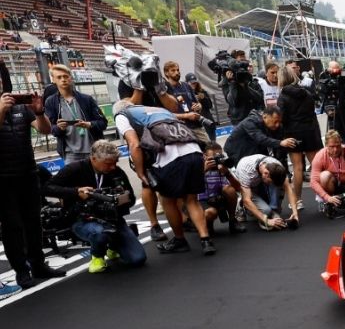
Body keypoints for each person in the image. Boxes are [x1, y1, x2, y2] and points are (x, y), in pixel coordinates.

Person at [115, 83, 214, 255]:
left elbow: (134, 144)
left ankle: (179, 239)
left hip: (170, 157)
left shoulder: (122, 114)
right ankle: (205, 240)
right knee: (192, 200)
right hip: (194, 151)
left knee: (168, 200)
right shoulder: (157, 110)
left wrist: (140, 172)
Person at [43, 140, 146, 273]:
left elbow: (131, 199)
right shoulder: (75, 169)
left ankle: (112, 247)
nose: (113, 167)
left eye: (115, 162)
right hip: (82, 219)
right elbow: (46, 188)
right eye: (108, 163)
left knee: (138, 258)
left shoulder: (116, 172)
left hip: (112, 219)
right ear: (93, 159)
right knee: (100, 233)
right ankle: (97, 256)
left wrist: (119, 199)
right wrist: (76, 192)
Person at [0, 76, 60, 288]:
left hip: (27, 172)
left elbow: (45, 130)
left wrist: (39, 112)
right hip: (3, 179)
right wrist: (1, 110)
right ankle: (21, 271)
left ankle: (38, 264)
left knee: (34, 222)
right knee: (12, 226)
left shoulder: (20, 106)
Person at [276, 63, 320, 211]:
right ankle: (324, 196)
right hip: (310, 131)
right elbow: (312, 111)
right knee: (317, 165)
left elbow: (281, 118)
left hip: (293, 133)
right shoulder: (306, 92)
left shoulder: (283, 96)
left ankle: (298, 200)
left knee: (298, 168)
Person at [44, 63, 106, 164]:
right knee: (73, 175)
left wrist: (89, 124)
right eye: (59, 77)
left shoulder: (86, 99)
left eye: (65, 76)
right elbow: (51, 129)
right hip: (70, 153)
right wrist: (59, 128)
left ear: (71, 78)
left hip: (94, 150)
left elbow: (103, 123)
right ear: (53, 80)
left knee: (98, 174)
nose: (63, 79)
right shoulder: (51, 102)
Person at [233, 153, 294, 230]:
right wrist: (266, 220)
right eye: (270, 182)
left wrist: (295, 213)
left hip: (260, 182)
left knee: (279, 184)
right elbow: (247, 200)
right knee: (265, 210)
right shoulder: (245, 170)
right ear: (266, 174)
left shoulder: (275, 165)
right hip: (248, 188)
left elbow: (288, 187)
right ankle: (241, 204)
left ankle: (273, 210)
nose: (271, 184)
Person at [222, 105, 295, 167]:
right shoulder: (250, 122)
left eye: (279, 121)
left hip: (254, 148)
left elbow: (279, 149)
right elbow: (260, 139)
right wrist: (280, 143)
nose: (277, 125)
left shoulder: (275, 126)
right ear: (265, 116)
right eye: (275, 121)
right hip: (237, 150)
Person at [196, 142, 241, 235]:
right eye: (213, 158)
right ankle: (207, 225)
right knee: (210, 213)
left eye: (219, 156)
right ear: (204, 156)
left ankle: (233, 221)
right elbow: (189, 186)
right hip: (202, 201)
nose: (217, 160)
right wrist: (204, 170)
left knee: (230, 190)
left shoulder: (223, 165)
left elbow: (238, 188)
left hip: (218, 199)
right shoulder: (197, 166)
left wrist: (227, 173)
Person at [186, 72, 217, 142]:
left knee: (213, 143)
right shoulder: (185, 93)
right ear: (187, 83)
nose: (194, 84)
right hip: (196, 124)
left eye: (195, 83)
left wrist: (203, 98)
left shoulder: (201, 91)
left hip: (207, 122)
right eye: (192, 83)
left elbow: (210, 105)